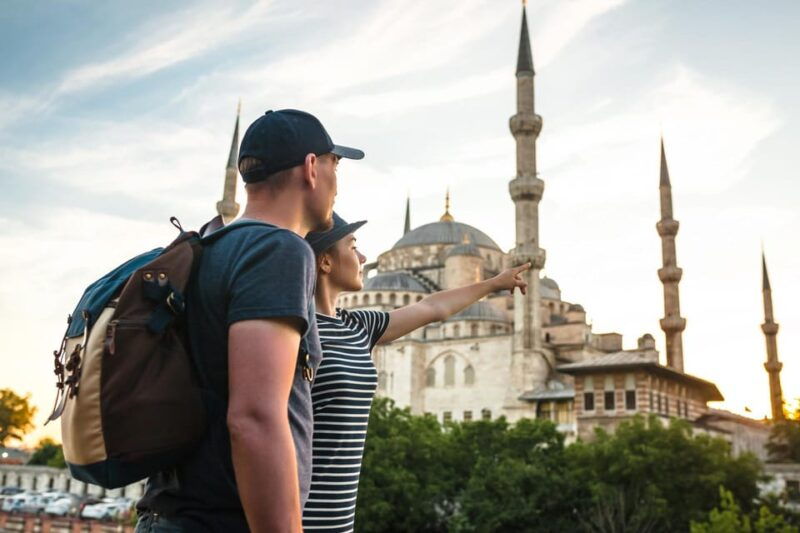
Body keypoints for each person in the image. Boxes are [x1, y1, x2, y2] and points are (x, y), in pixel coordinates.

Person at [135, 110, 365, 533]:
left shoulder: (211, 243)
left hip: (172, 513)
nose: (337, 181)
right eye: (336, 165)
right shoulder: (279, 250)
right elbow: (255, 418)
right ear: (312, 168)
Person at [301, 213, 530, 532]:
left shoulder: (358, 326)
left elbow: (432, 308)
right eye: (353, 247)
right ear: (324, 262)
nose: (364, 258)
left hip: (339, 523)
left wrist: (494, 283)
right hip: (297, 518)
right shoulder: (296, 331)